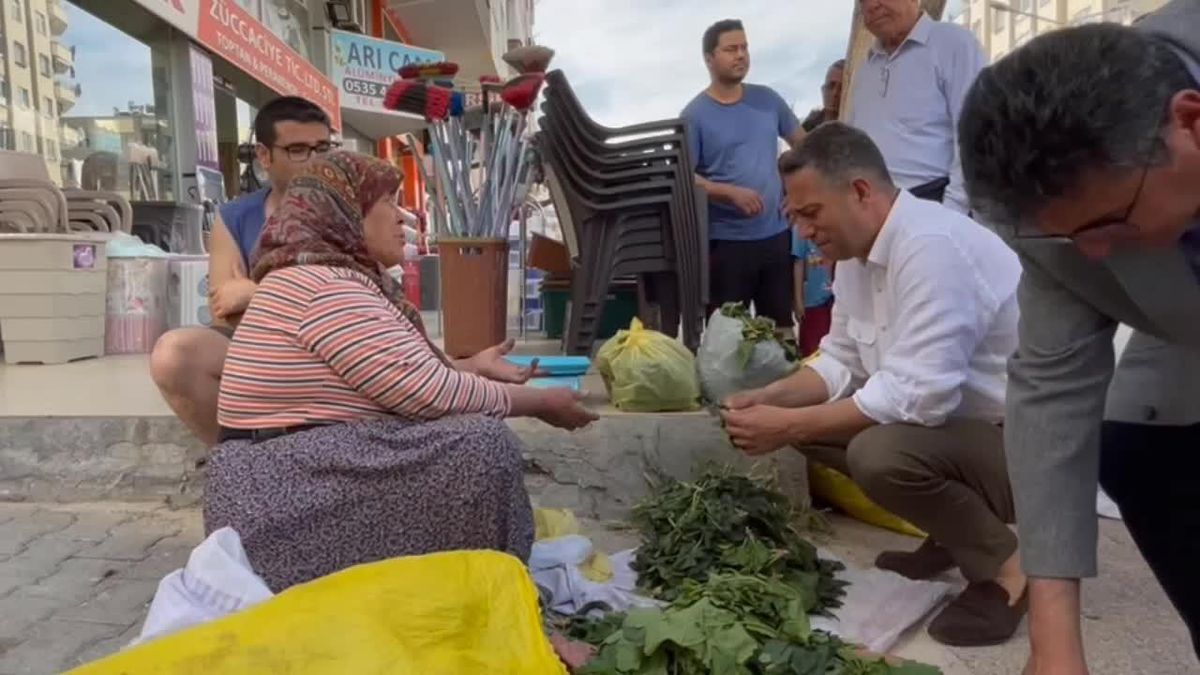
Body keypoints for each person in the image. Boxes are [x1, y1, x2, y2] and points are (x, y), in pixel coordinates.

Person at [204, 151, 598, 592]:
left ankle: (471, 585)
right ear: (347, 211)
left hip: (286, 487)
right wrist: (540, 402)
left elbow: (394, 373)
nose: (401, 217)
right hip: (278, 505)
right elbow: (428, 394)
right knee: (480, 446)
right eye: (388, 202)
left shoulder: (317, 277)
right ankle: (489, 594)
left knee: (466, 438)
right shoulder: (323, 286)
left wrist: (471, 367)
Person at [956, 3, 1200, 671]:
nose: (1092, 255)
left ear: (1189, 124)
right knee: (1140, 450)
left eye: (1109, 223)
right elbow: (1053, 387)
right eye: (1068, 236)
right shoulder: (1062, 210)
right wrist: (1054, 641)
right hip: (1183, 334)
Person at [722, 123, 1025, 647]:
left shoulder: (931, 246)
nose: (804, 232)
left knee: (879, 454)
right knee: (814, 431)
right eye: (796, 218)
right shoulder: (856, 260)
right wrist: (769, 399)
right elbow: (841, 361)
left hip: (1029, 446)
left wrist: (788, 424)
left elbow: (919, 396)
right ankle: (953, 534)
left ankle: (1010, 570)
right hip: (965, 435)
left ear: (860, 191)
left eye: (811, 214)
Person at [150, 96, 336, 446]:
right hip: (262, 350)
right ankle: (239, 459)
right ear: (264, 156)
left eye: (323, 148)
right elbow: (225, 310)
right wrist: (295, 299)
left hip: (339, 349)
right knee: (174, 354)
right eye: (298, 150)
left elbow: (358, 302)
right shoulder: (236, 217)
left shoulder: (356, 211)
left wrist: (256, 292)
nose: (314, 161)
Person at [683, 19, 807, 338]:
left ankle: (784, 374)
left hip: (776, 236)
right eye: (730, 49)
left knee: (780, 335)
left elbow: (807, 149)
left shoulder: (768, 100)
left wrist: (798, 196)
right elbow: (684, 177)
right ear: (709, 59)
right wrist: (726, 192)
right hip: (726, 243)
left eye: (744, 48)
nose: (740, 55)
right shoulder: (694, 115)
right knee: (728, 339)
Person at [847, 0, 985, 212]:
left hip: (932, 203)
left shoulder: (953, 43)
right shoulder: (866, 69)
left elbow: (977, 135)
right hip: (872, 210)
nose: (872, 6)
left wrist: (951, 212)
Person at [791, 234, 834, 358]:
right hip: (813, 299)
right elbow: (798, 262)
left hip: (838, 297)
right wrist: (798, 300)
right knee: (812, 350)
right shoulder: (802, 228)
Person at [801, 60, 845, 132]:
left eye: (842, 88)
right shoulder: (806, 129)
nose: (835, 93)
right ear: (823, 90)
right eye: (831, 86)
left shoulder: (856, 126)